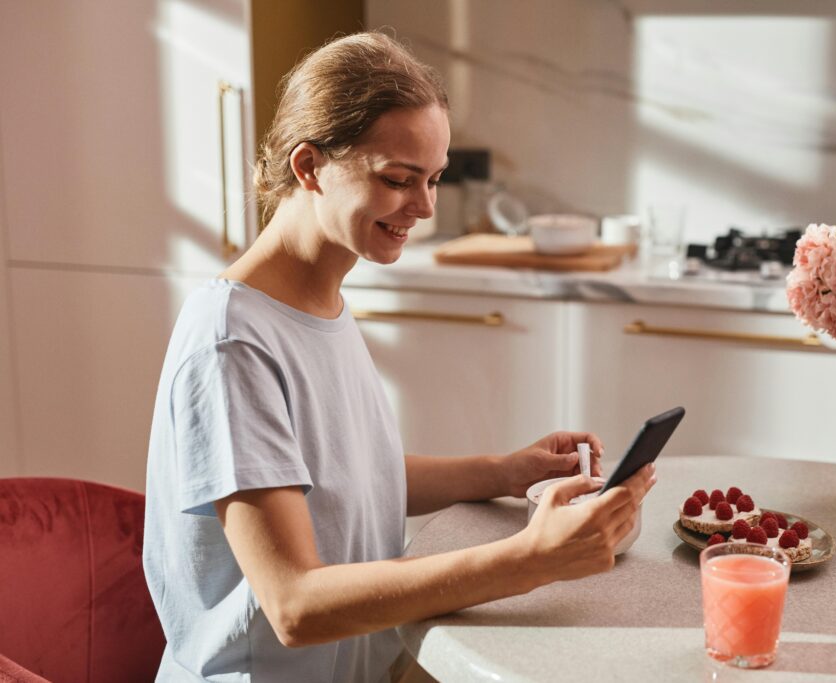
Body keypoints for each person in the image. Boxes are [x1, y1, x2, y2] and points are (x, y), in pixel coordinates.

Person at [143, 31, 656, 683]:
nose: (424, 206)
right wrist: (530, 558)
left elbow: (350, 477)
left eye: (434, 179)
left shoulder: (319, 301)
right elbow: (294, 605)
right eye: (398, 179)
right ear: (309, 167)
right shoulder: (232, 341)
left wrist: (507, 470)